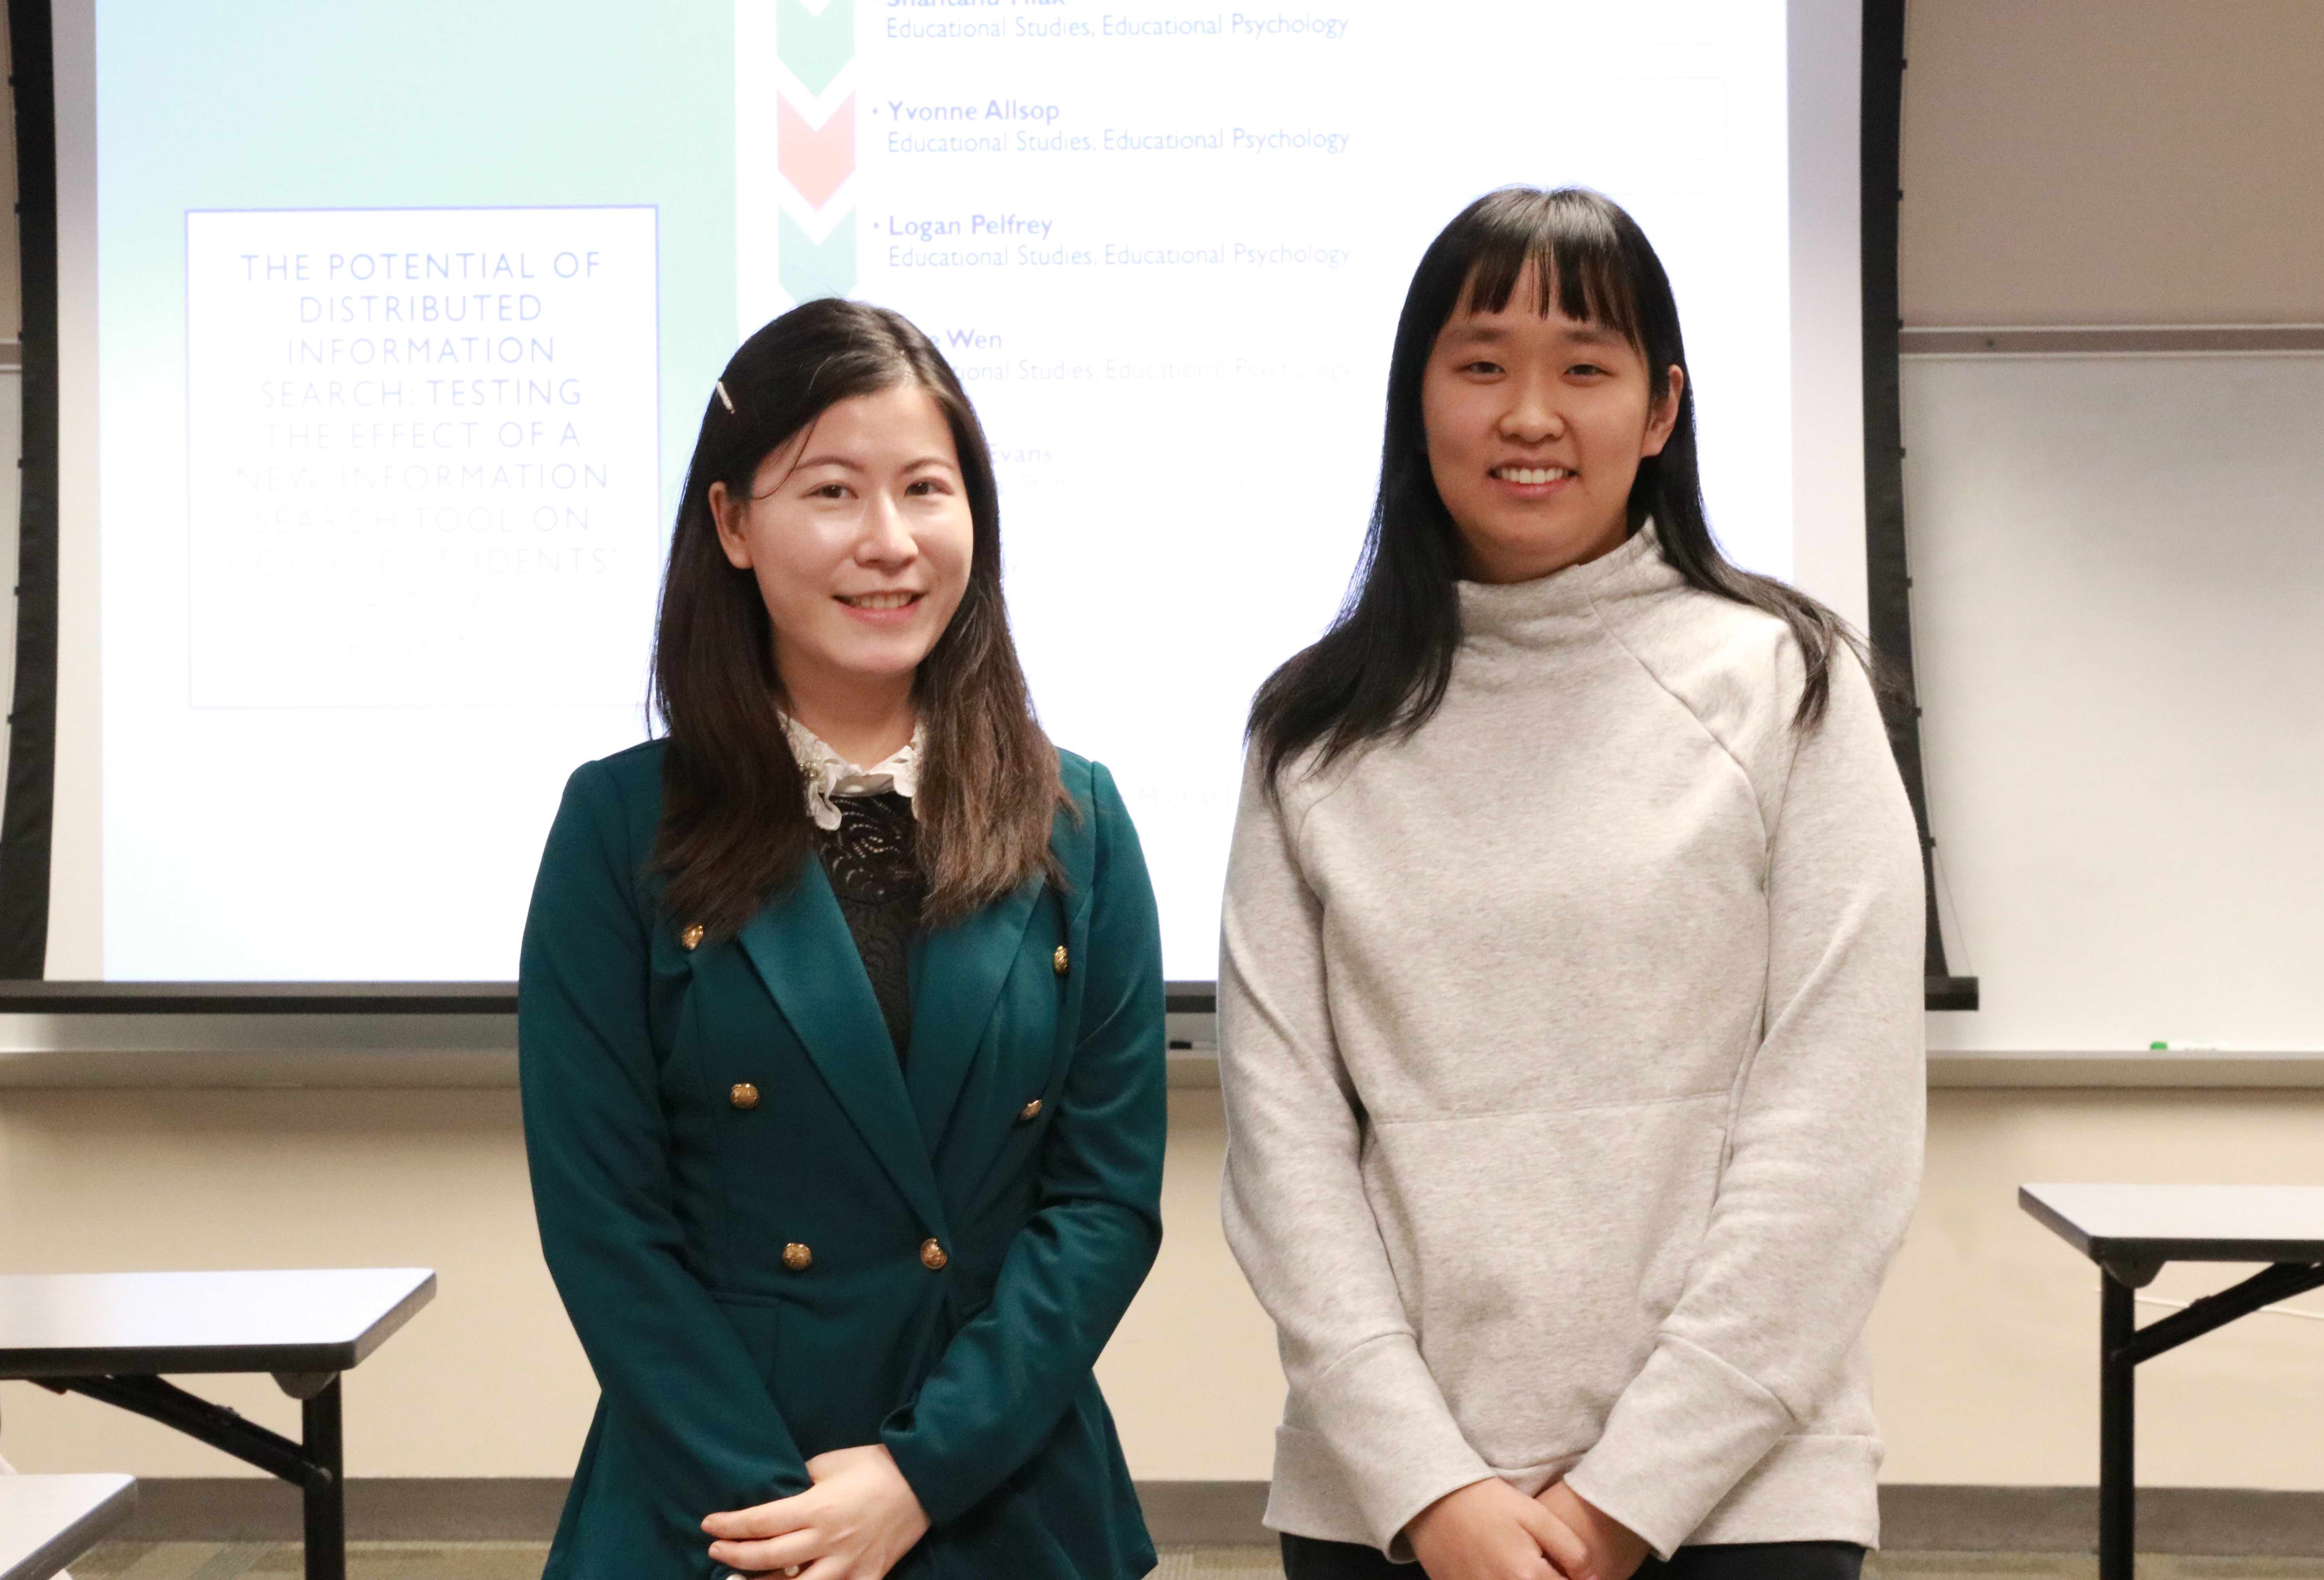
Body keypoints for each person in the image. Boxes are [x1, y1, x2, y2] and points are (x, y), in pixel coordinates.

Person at [1217, 187, 1925, 1580]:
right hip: (1390, 1508)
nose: (1529, 415)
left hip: (1739, 1503)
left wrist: (1624, 1499)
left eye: (1584, 369)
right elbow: (1285, 1141)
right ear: (1418, 400)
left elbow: (1838, 1130)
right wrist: (1432, 1489)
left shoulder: (1788, 683)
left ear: (1660, 410)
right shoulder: (1313, 730)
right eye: (1480, 365)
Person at [519, 299, 1168, 1580]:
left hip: (1004, 1490)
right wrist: (788, 1524)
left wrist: (917, 1479)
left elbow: (1102, 1205)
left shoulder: (1074, 818)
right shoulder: (619, 824)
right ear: (733, 525)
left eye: (928, 489)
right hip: (715, 1507)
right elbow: (606, 1225)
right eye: (832, 491)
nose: (889, 542)